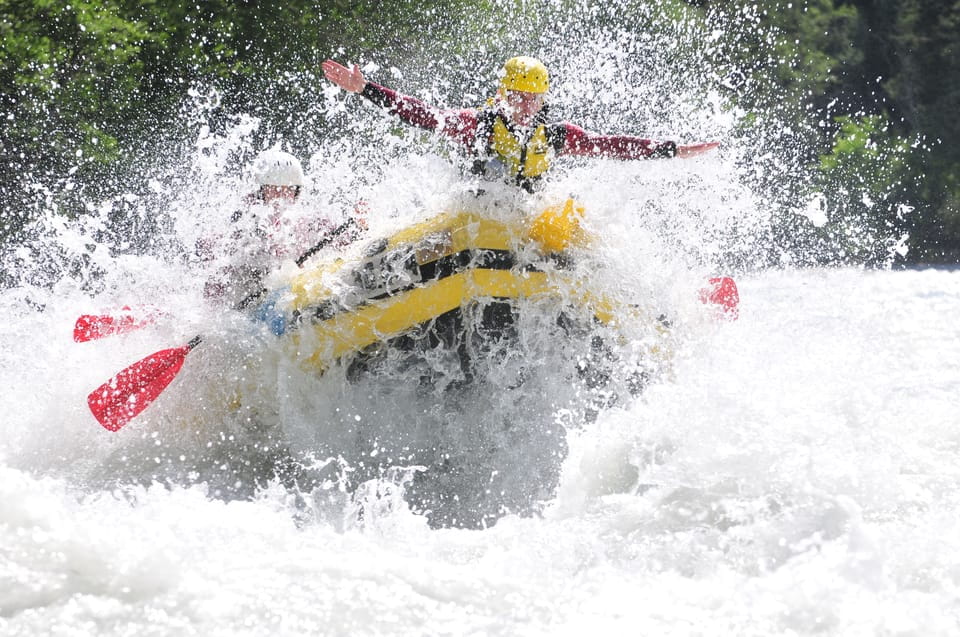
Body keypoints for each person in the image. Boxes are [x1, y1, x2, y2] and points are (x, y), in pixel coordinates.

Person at [321, 56, 718, 193]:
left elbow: (610, 145)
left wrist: (672, 149)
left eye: (533, 98)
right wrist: (367, 89)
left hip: (524, 220)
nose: (525, 106)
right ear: (502, 93)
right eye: (517, 97)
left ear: (543, 98)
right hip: (479, 212)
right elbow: (424, 115)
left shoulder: (556, 134)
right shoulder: (477, 125)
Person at [198, 148, 365, 307]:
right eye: (275, 190)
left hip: (289, 296)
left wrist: (359, 225)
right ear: (259, 191)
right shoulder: (242, 226)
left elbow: (343, 240)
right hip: (250, 299)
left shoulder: (305, 221)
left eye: (289, 190)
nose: (282, 197)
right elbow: (213, 254)